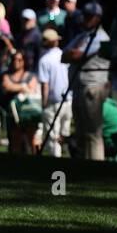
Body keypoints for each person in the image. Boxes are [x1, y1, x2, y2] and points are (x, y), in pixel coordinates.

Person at [66, 2, 111, 161]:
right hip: (79, 86)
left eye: (89, 17)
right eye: (84, 16)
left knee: (93, 133)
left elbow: (77, 55)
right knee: (80, 132)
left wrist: (74, 53)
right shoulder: (83, 36)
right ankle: (84, 165)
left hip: (92, 86)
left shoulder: (101, 37)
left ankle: (96, 166)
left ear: (98, 18)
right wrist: (73, 53)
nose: (85, 19)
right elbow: (64, 55)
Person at [37, 27, 72, 157]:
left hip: (53, 101)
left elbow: (45, 85)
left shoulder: (44, 60)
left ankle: (57, 163)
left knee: (53, 136)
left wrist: (44, 103)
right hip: (67, 99)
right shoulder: (64, 55)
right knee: (64, 134)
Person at [0, 50, 42, 154]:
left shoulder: (31, 75)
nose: (16, 62)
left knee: (32, 138)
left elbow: (32, 89)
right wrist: (23, 87)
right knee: (15, 139)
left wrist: (16, 87)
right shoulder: (7, 75)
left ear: (24, 61)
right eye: (14, 59)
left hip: (28, 112)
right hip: (12, 113)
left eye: (20, 59)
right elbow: (7, 87)